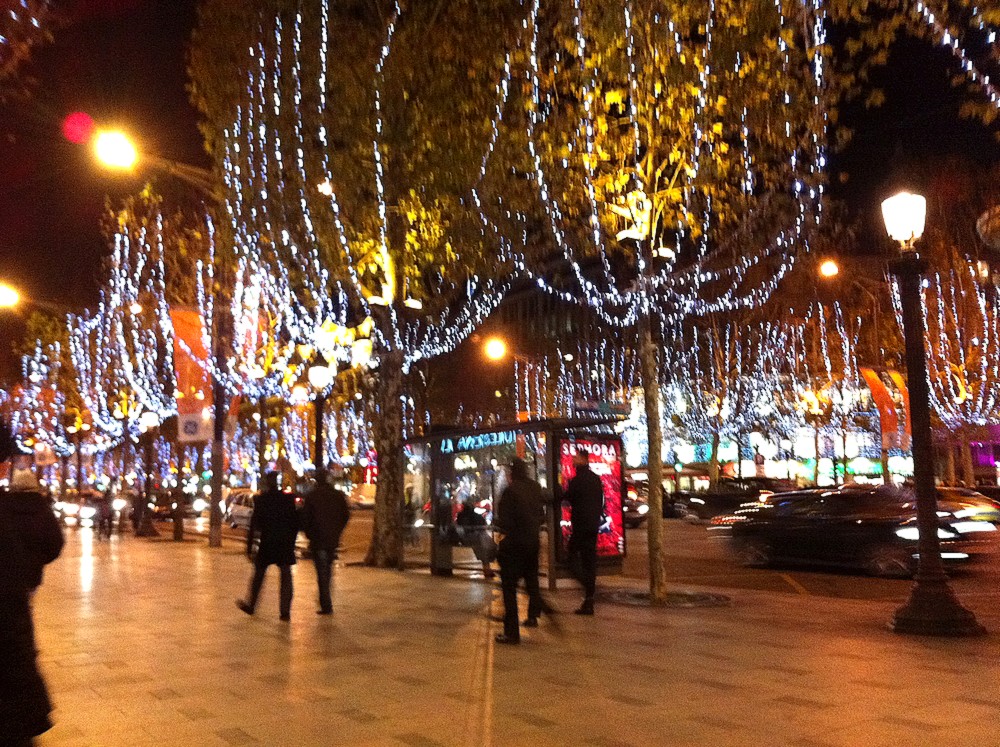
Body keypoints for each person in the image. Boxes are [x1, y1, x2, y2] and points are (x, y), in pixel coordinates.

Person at [0, 465, 65, 744]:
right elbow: (55, 543)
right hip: (23, 583)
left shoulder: (4, 509)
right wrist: (37, 560)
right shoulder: (42, 508)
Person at [493, 458, 546, 645]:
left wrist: (498, 525)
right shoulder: (535, 488)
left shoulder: (510, 491)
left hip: (514, 547)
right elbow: (542, 515)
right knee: (532, 582)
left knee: (509, 588)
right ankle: (533, 614)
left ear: (512, 473)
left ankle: (511, 632)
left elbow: (505, 522)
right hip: (532, 544)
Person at [236, 472, 298, 621]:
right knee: (285, 576)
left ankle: (251, 605)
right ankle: (285, 612)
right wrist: (291, 541)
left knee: (258, 575)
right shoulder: (287, 499)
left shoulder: (261, 500)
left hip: (268, 542)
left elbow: (254, 526)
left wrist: (250, 547)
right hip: (283, 543)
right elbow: (295, 523)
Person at [300, 470, 350, 615]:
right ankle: (325, 600)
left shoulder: (312, 496)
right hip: (331, 539)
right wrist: (337, 530)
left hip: (318, 539)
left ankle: (326, 603)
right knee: (327, 570)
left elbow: (305, 518)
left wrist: (309, 533)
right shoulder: (337, 496)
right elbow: (345, 515)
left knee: (322, 571)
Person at [564, 450, 604, 615]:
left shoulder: (577, 480)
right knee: (589, 561)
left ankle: (587, 585)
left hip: (580, 526)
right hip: (593, 526)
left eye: (576, 457)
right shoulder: (595, 479)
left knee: (571, 558)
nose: (573, 459)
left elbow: (567, 497)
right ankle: (589, 600)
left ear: (582, 459)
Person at [456, 498, 495, 579]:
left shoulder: (467, 515)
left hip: (476, 536)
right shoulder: (465, 515)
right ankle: (487, 568)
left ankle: (487, 567)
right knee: (482, 544)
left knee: (485, 542)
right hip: (471, 537)